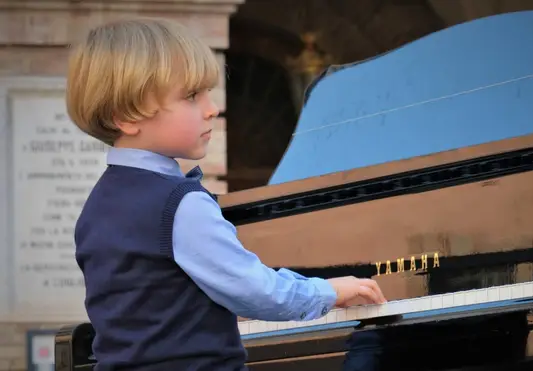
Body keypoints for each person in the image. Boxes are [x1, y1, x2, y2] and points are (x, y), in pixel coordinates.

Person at [66, 18, 386, 370]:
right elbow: (257, 292)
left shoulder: (96, 207)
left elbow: (155, 306)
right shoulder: (179, 203)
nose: (212, 108)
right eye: (191, 96)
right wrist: (331, 291)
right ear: (126, 116)